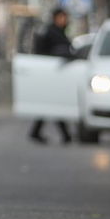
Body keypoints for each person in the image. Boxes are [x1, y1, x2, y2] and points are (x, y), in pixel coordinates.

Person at [30, 8, 75, 144]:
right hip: (49, 73)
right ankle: (65, 135)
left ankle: (36, 132)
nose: (64, 20)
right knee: (54, 102)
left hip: (56, 73)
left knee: (50, 102)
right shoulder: (51, 32)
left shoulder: (59, 32)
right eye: (62, 17)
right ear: (56, 18)